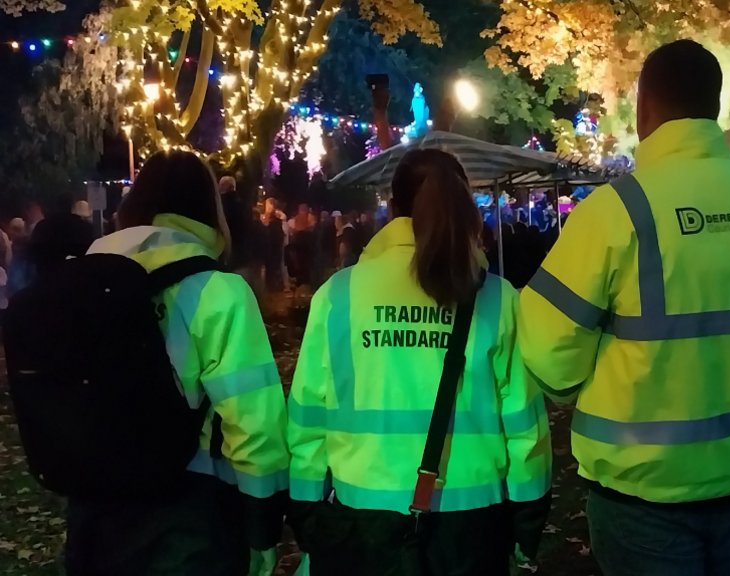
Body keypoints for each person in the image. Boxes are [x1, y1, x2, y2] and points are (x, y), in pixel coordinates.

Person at [518, 40, 730, 576]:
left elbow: (548, 351)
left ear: (643, 106)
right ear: (714, 104)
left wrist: (573, 383)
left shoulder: (617, 212)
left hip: (643, 491)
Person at [288, 149, 552, 576]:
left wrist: (307, 516)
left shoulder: (337, 297)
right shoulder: (498, 299)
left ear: (393, 209)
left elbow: (307, 423)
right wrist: (526, 527)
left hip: (362, 520)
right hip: (472, 525)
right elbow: (524, 428)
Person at [69, 150, 288, 576]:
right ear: (209, 210)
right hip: (190, 520)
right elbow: (255, 427)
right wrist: (262, 530)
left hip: (93, 517)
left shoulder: (83, 279)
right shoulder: (217, 291)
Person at [28, 194, 96, 279]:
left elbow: (32, 254)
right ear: (73, 206)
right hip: (77, 279)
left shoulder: (42, 226)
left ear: (56, 206)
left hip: (47, 278)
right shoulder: (83, 226)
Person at [219, 176, 249, 272]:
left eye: (222, 185)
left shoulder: (222, 205)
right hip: (241, 252)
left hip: (226, 250)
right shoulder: (242, 205)